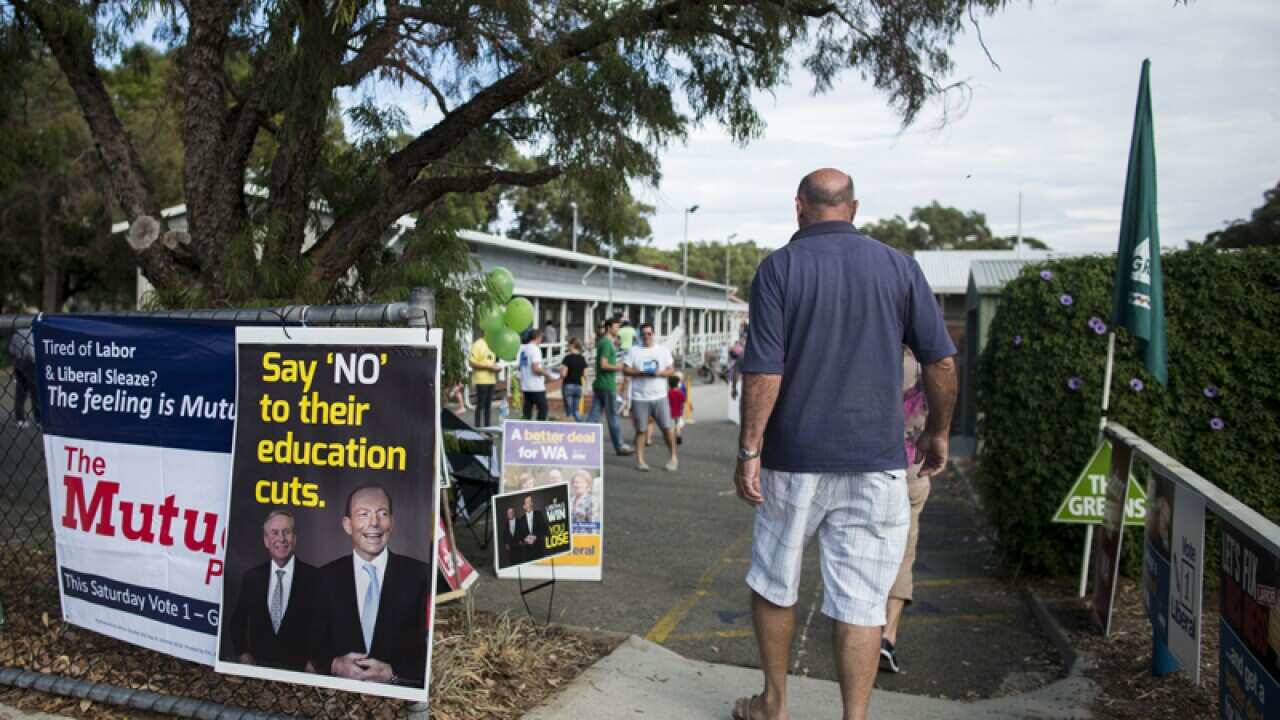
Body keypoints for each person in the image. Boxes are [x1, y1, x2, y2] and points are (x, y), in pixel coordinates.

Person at [731, 169, 957, 720]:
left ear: (799, 206)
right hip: (876, 461)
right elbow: (941, 362)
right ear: (853, 208)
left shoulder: (779, 268)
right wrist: (938, 432)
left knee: (775, 581)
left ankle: (773, 705)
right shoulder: (899, 267)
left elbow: (764, 369)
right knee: (862, 599)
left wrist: (749, 450)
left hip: (794, 459)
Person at [313, 485, 431, 687]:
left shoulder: (421, 575)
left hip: (399, 694)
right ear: (347, 525)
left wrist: (394, 674)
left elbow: (428, 648)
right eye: (363, 514)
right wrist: (334, 665)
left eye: (382, 514)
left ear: (392, 522)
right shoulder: (323, 577)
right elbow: (310, 642)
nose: (374, 523)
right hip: (338, 694)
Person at [881, 347, 931, 673]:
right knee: (903, 553)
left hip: (872, 466)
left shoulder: (874, 351)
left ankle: (860, 627)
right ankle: (887, 637)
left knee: (866, 547)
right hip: (912, 467)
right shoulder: (927, 361)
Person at [224, 510, 318, 671]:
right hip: (259, 670)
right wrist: (243, 654)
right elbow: (237, 622)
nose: (281, 539)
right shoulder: (251, 577)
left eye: (286, 532)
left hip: (300, 672)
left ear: (294, 539)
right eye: (275, 533)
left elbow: (326, 627)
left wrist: (315, 661)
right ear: (266, 541)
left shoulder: (316, 577)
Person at [623, 323, 678, 472]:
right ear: (639, 336)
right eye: (643, 334)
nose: (646, 336)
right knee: (641, 430)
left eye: (649, 333)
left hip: (660, 396)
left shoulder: (662, 350)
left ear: (653, 334)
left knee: (667, 428)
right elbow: (625, 369)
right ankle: (640, 461)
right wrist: (640, 373)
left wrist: (658, 373)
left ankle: (673, 458)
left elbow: (671, 370)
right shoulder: (633, 350)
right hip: (639, 397)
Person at [587, 318, 634, 456]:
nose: (618, 329)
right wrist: (618, 367)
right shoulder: (607, 344)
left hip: (600, 384)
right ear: (609, 328)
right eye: (616, 327)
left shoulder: (604, 342)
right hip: (607, 384)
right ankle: (619, 446)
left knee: (594, 416)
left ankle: (582, 440)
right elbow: (603, 364)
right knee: (612, 416)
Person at [517, 328, 552, 421]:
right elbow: (535, 368)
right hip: (536, 386)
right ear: (537, 337)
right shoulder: (535, 349)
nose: (541, 340)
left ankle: (525, 427)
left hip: (525, 385)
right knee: (543, 409)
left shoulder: (522, 349)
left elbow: (520, 367)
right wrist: (547, 374)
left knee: (527, 411)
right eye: (541, 338)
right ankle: (538, 428)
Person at [8, 327, 38, 428]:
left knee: (20, 392)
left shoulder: (16, 334)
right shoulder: (32, 333)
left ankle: (20, 419)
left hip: (18, 361)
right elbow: (32, 352)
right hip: (31, 363)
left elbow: (11, 350)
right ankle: (39, 419)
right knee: (35, 392)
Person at [468, 334, 499, 427]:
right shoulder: (478, 344)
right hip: (481, 380)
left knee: (488, 407)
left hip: (491, 380)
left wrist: (496, 368)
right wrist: (487, 367)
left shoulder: (493, 345)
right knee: (480, 406)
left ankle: (487, 429)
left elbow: (492, 362)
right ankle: (477, 428)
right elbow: (471, 363)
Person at [560, 338, 588, 422]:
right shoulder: (582, 358)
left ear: (572, 345)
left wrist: (560, 372)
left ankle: (571, 427)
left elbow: (563, 374)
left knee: (569, 412)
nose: (567, 347)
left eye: (568, 345)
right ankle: (580, 426)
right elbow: (585, 375)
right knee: (576, 410)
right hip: (578, 386)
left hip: (568, 385)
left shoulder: (567, 358)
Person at [667, 375, 686, 446]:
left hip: (670, 412)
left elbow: (666, 402)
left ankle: (672, 439)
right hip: (678, 412)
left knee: (671, 426)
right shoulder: (679, 393)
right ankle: (678, 435)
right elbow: (683, 400)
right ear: (677, 384)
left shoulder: (668, 393)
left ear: (669, 384)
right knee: (677, 424)